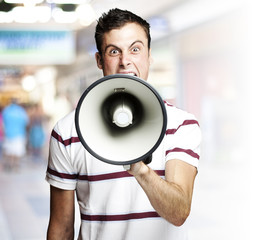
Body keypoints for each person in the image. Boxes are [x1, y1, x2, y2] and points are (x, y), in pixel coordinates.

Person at [46, 8, 201, 240]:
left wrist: (140, 169)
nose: (125, 61)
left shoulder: (181, 125)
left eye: (135, 49)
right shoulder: (67, 132)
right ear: (99, 60)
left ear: (149, 55)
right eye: (114, 51)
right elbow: (61, 228)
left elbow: (178, 212)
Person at [2, 98, 29, 171]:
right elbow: (26, 122)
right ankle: (16, 165)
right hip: (19, 134)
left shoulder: (6, 110)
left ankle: (11, 164)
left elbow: (3, 123)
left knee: (9, 150)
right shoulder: (21, 111)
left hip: (8, 134)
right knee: (17, 150)